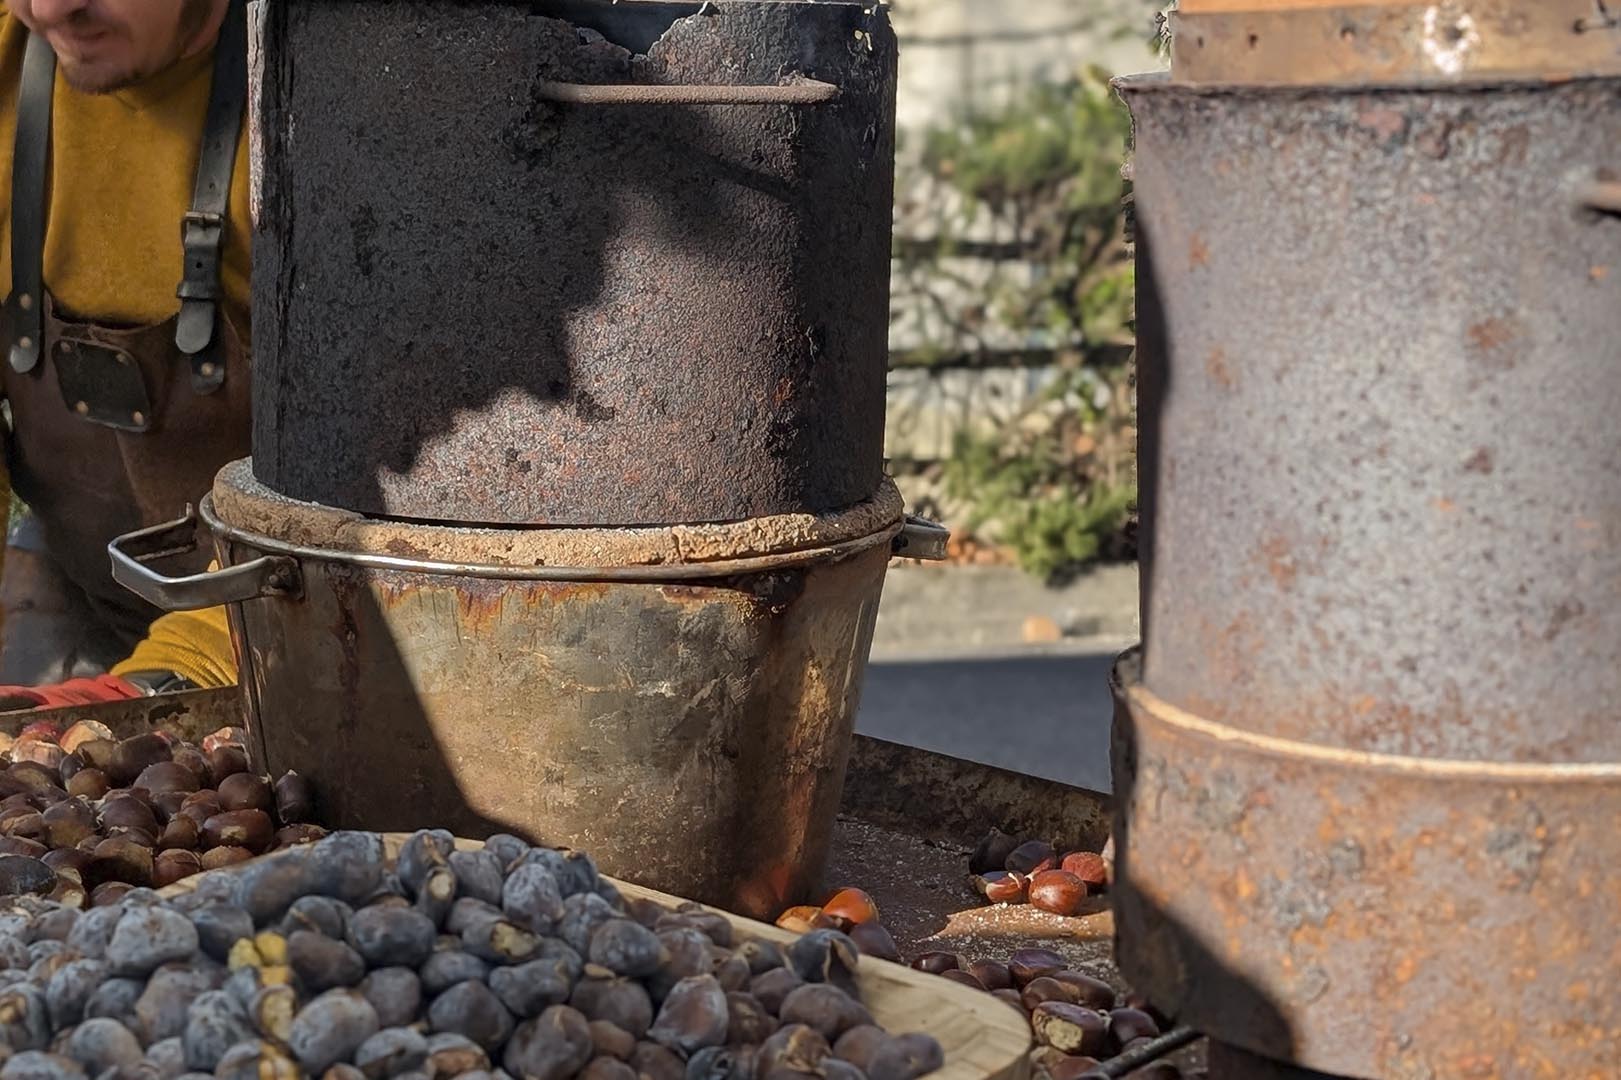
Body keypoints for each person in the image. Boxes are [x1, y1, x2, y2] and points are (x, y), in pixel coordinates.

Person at [0, 0, 247, 706]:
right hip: (81, 576)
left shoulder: (329, 102)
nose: (50, 9)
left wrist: (158, 682)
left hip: (311, 618)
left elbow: (367, 508)